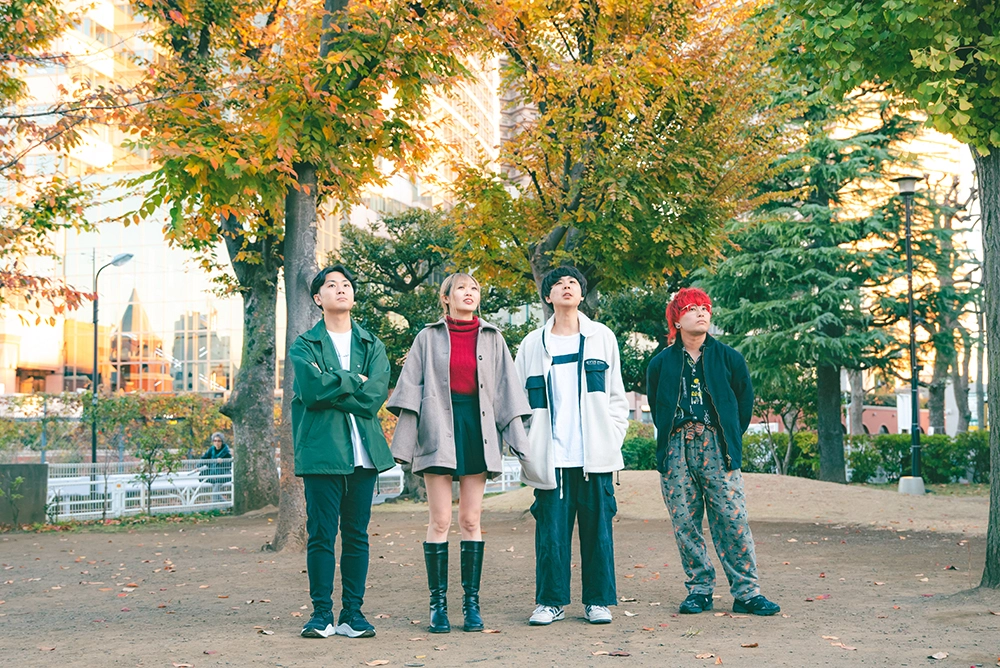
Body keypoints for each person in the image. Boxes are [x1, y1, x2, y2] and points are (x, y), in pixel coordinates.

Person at [388, 273, 530, 634]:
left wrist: (519, 441)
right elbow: (410, 389)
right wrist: (404, 444)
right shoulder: (427, 337)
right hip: (437, 427)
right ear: (446, 298)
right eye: (462, 288)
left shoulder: (493, 337)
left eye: (475, 289)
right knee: (439, 521)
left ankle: (471, 604)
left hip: (478, 429)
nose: (469, 293)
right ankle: (437, 606)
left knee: (470, 519)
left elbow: (507, 390)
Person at [645, 287, 780, 616]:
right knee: (685, 522)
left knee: (732, 518)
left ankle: (747, 592)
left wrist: (726, 435)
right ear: (677, 321)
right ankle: (699, 589)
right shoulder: (660, 363)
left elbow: (743, 404)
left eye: (705, 307)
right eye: (691, 308)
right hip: (676, 448)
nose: (701, 312)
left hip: (718, 446)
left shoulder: (729, 358)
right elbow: (657, 406)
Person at [514, 266, 629, 626]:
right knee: (551, 535)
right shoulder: (532, 344)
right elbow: (517, 401)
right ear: (547, 296)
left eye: (573, 283)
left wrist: (611, 437)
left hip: (594, 456)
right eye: (559, 284)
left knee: (598, 533)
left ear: (581, 294)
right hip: (551, 456)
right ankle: (550, 602)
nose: (567, 287)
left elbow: (617, 396)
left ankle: (598, 601)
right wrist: (527, 447)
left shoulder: (601, 337)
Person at [290, 264, 395, 639]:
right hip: (322, 453)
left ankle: (353, 613)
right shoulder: (305, 344)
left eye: (346, 284)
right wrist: (353, 379)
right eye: (331, 285)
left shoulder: (371, 344)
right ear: (318, 298)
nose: (341, 289)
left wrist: (333, 387)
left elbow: (373, 397)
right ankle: (321, 614)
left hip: (364, 456)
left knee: (356, 535)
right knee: (321, 535)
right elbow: (311, 391)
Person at [199, 433, 231, 503]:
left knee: (215, 491)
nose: (217, 443)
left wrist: (223, 461)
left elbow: (229, 465)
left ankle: (214, 507)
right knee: (216, 492)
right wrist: (198, 467)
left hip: (222, 475)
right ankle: (227, 505)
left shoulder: (226, 451)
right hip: (213, 474)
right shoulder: (211, 449)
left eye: (219, 441)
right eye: (215, 441)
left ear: (222, 442)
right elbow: (204, 459)